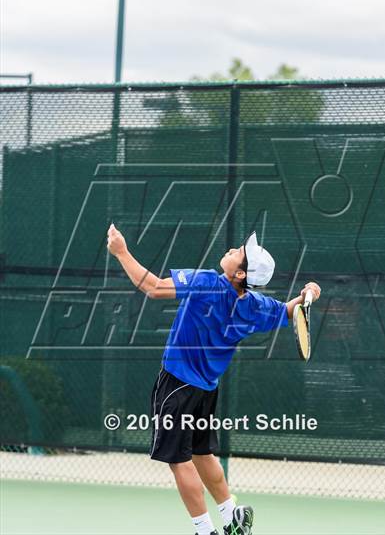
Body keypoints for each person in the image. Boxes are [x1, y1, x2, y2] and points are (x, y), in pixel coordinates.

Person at [107, 224, 321, 535]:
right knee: (201, 453)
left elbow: (153, 287)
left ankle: (204, 530)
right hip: (206, 391)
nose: (234, 250)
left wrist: (121, 252)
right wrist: (307, 293)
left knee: (179, 461)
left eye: (240, 254)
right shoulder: (254, 306)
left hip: (176, 385)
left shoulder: (207, 282)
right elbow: (289, 312)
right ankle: (231, 513)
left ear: (241, 275)